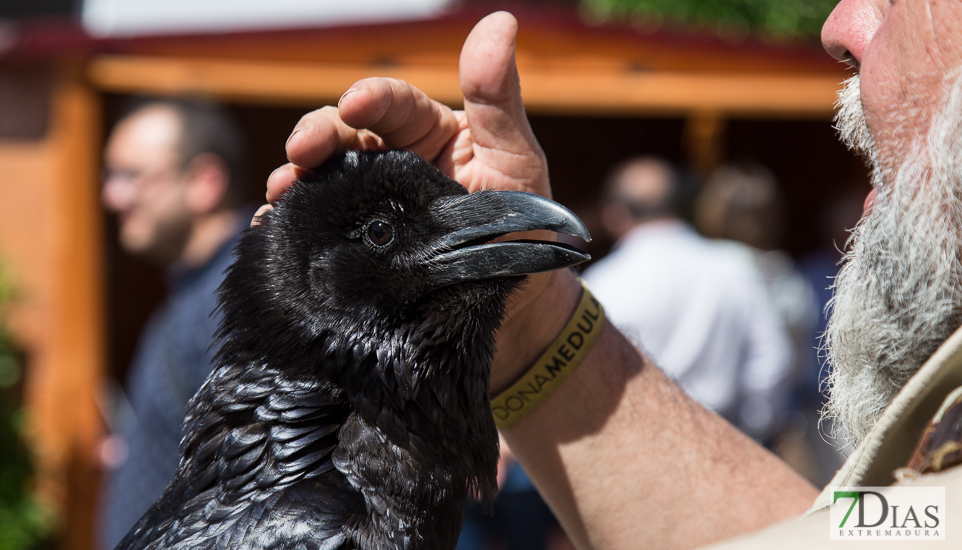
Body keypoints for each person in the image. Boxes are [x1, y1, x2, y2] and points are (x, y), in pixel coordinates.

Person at [266, 2, 962, 546]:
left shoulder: (621, 276)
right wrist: (535, 327)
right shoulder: (739, 273)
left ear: (621, 215)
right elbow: (846, 527)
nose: (839, 26)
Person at [98, 98, 253, 549]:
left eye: (131, 176)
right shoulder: (197, 291)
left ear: (204, 182)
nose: (112, 196)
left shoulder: (237, 296)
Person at [582, 156, 792, 441]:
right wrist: (750, 429)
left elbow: (591, 377)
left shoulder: (602, 283)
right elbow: (773, 357)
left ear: (614, 215)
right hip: (723, 437)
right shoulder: (733, 268)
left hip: (639, 443)